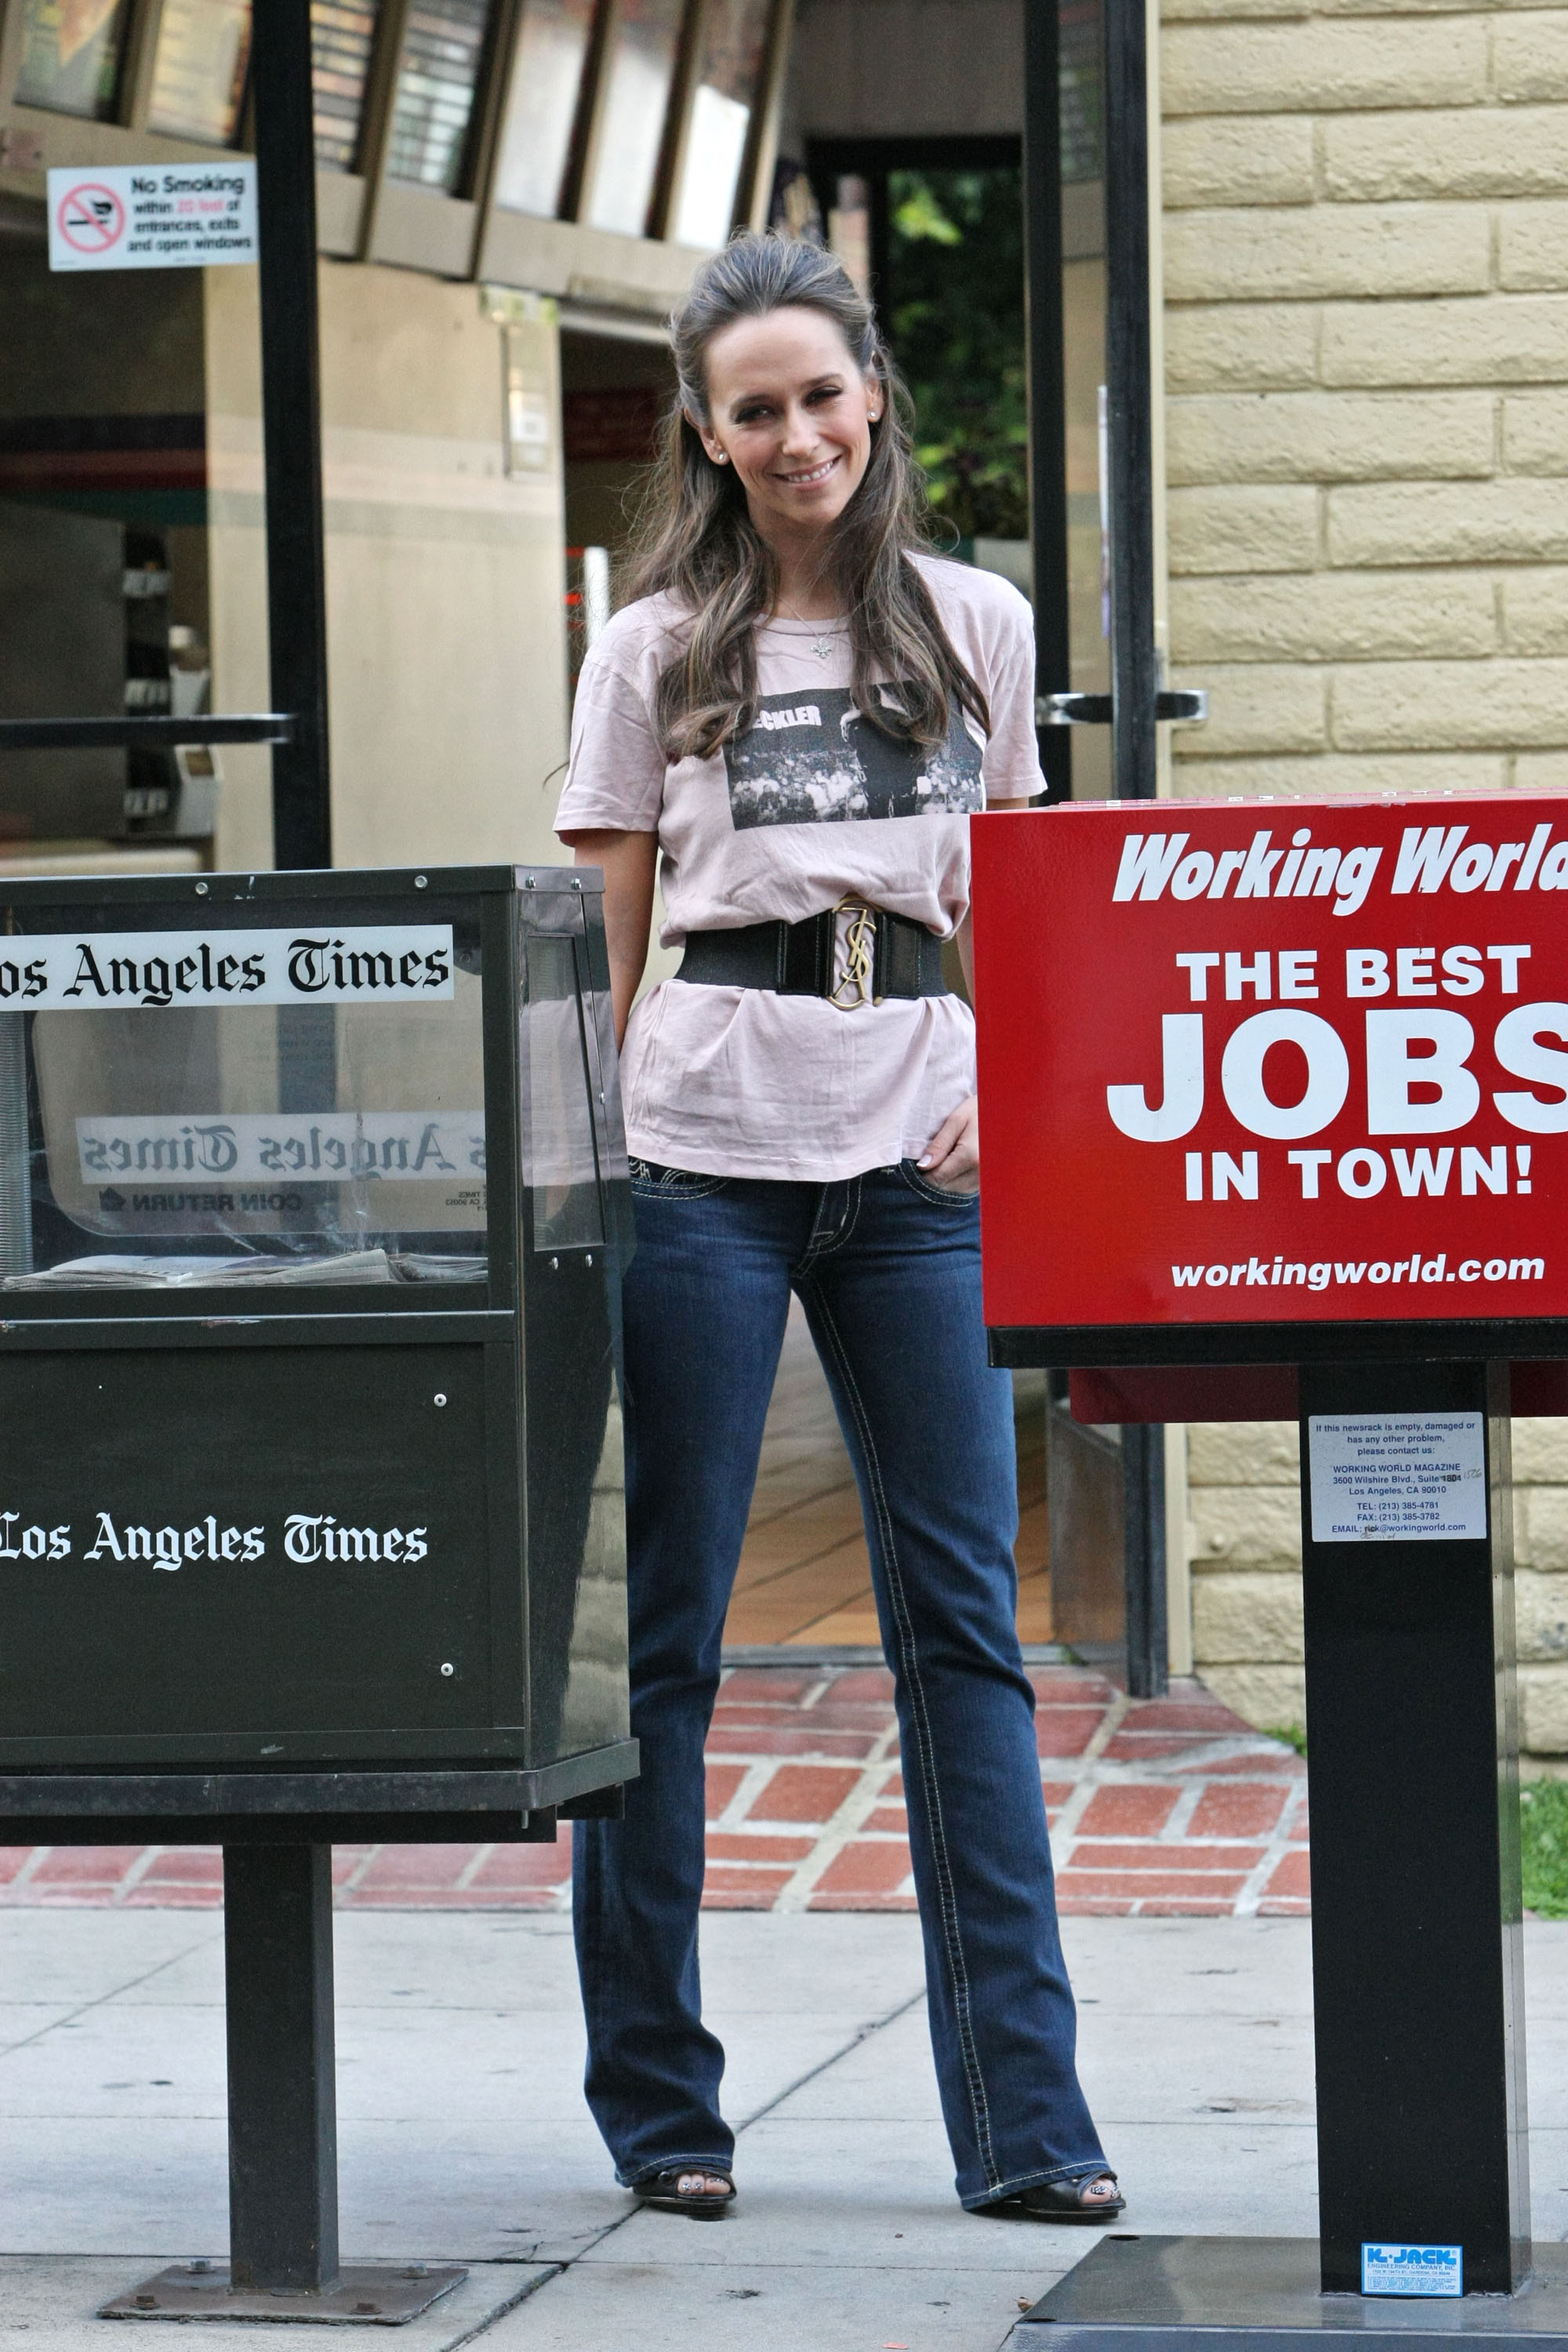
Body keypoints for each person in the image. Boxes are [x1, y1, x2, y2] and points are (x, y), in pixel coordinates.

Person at [554, 230, 1120, 2226]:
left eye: (820, 395)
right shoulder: (651, 648)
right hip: (701, 1152)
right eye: (754, 410)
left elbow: (1021, 888)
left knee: (963, 1637)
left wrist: (1005, 1082)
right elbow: (602, 933)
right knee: (666, 1640)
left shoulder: (977, 620)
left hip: (919, 1166)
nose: (795, 434)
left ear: (872, 395)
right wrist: (586, 1158)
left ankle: (1028, 2126)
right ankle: (660, 2106)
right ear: (706, 437)